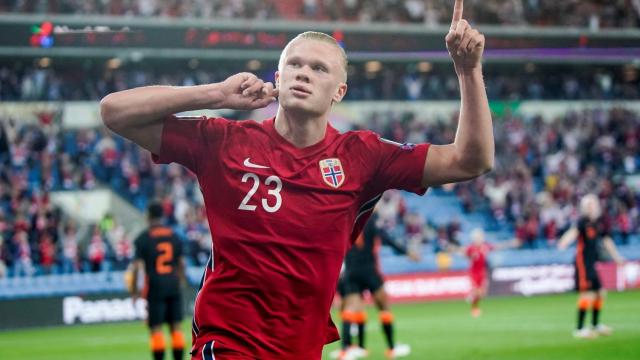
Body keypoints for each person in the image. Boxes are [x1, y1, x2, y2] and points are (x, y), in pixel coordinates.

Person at [101, 1, 493, 357]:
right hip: (228, 344)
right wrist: (216, 94)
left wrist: (468, 70)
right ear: (278, 76)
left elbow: (470, 161)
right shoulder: (223, 140)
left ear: (339, 91)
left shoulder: (364, 155)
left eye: (319, 68)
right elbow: (115, 112)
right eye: (295, 64)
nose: (303, 73)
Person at [334, 208, 420, 360]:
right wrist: (407, 252)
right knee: (384, 307)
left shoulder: (344, 220)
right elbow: (386, 239)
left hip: (352, 271)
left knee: (350, 310)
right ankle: (392, 348)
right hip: (368, 269)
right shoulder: (370, 220)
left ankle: (345, 351)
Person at [557, 194, 625, 339]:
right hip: (582, 263)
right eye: (588, 205)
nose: (591, 207)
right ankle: (579, 329)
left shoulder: (599, 223)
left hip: (592, 264)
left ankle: (595, 325)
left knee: (600, 293)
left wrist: (617, 257)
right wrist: (563, 242)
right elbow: (573, 233)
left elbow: (607, 241)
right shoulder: (582, 222)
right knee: (587, 294)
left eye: (593, 204)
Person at [128, 203, 187, 360]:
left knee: (156, 328)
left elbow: (137, 268)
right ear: (162, 216)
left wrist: (135, 292)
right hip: (173, 285)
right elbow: (182, 264)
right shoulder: (174, 236)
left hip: (155, 287)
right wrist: (180, 282)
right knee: (176, 327)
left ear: (148, 216)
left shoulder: (143, 238)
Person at [453, 228, 520, 317]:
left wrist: (510, 243)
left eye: (480, 237)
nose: (479, 239)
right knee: (476, 291)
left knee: (482, 293)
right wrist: (462, 253)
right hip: (473, 272)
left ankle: (472, 298)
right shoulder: (471, 248)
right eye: (477, 238)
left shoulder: (485, 246)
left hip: (482, 272)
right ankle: (474, 308)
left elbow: (498, 246)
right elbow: (464, 253)